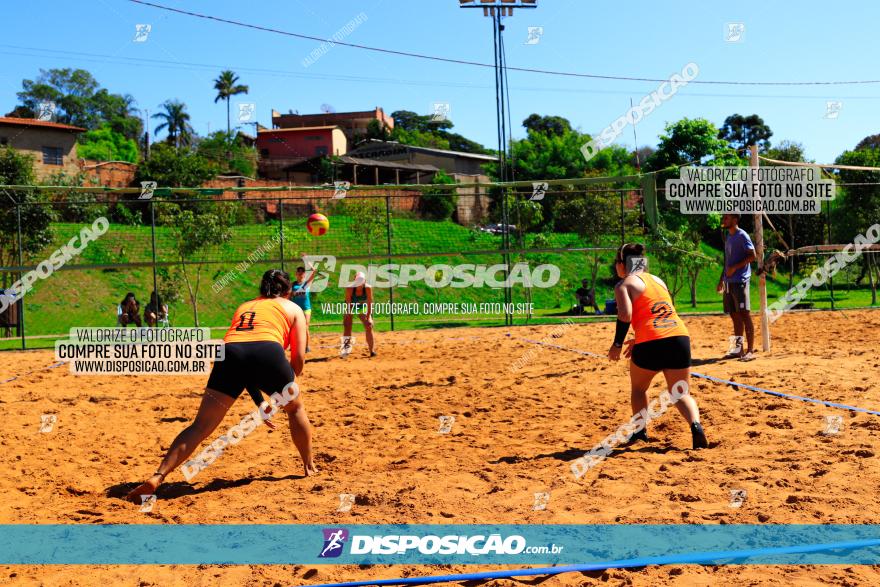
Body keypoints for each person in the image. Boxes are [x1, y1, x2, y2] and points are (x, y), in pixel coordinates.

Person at [127, 269, 315, 501]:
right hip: (268, 350)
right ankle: (309, 466)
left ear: (261, 289)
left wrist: (260, 401)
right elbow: (297, 359)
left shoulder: (245, 307)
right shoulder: (294, 308)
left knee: (200, 426)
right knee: (295, 409)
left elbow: (244, 361)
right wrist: (286, 393)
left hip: (229, 353)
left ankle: (158, 476)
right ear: (288, 291)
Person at [607, 243, 708, 450]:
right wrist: (639, 337)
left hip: (651, 342)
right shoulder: (658, 281)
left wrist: (617, 344)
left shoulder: (624, 284)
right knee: (680, 393)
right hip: (678, 336)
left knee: (638, 389)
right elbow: (662, 312)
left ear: (621, 265)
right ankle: (696, 427)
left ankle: (640, 431)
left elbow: (625, 315)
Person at [717, 214, 757, 361]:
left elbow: (753, 256)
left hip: (740, 281)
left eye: (726, 218)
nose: (723, 220)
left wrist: (734, 268)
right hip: (729, 282)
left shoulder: (742, 235)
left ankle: (750, 351)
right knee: (734, 315)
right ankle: (737, 349)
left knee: (744, 314)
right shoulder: (728, 236)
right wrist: (721, 279)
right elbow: (727, 260)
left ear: (735, 220)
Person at [342, 271, 375, 358]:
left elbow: (370, 302)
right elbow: (348, 302)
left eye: (361, 282)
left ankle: (372, 351)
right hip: (351, 306)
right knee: (347, 326)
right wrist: (348, 314)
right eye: (358, 282)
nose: (359, 285)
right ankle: (346, 350)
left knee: (369, 325)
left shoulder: (368, 288)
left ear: (364, 281)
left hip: (362, 306)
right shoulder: (349, 288)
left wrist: (368, 316)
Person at [291, 265, 316, 352]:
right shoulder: (292, 285)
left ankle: (306, 347)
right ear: (296, 274)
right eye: (299, 272)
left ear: (304, 274)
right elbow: (288, 295)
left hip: (306, 309)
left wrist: (308, 262)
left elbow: (314, 271)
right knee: (294, 328)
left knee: (305, 327)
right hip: (296, 309)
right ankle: (294, 345)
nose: (300, 273)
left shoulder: (307, 283)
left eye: (302, 272)